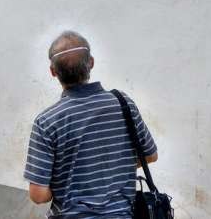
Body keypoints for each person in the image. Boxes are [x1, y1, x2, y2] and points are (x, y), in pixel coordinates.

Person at [24, 31, 159, 218]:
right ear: (91, 63)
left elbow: (38, 195)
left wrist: (72, 182)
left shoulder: (47, 121)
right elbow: (150, 155)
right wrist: (110, 173)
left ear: (53, 72)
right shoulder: (123, 103)